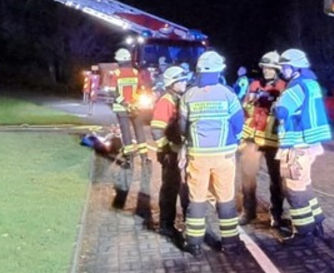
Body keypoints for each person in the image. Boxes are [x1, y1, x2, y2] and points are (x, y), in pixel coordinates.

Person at [179, 51, 245, 255]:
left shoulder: (188, 95)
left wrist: (188, 140)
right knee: (225, 198)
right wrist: (235, 139)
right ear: (218, 71)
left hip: (197, 154)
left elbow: (182, 126)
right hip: (224, 154)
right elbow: (238, 122)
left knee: (197, 198)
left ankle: (193, 243)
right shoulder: (228, 93)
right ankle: (231, 243)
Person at [273, 48, 332, 244]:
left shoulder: (296, 87)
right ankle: (316, 221)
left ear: (295, 67)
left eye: (285, 67)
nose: (282, 70)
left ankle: (303, 232)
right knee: (304, 184)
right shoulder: (311, 83)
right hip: (309, 143)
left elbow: (282, 112)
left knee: (294, 189)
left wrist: (275, 104)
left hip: (296, 146)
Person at [238, 51, 287, 228]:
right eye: (264, 67)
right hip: (253, 137)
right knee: (248, 176)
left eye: (270, 68)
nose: (266, 71)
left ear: (277, 69)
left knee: (276, 179)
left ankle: (276, 214)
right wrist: (249, 104)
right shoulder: (255, 85)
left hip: (273, 140)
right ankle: (248, 211)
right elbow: (246, 109)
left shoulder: (283, 87)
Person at [149, 66, 191, 241]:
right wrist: (166, 150)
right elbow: (157, 129)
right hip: (170, 153)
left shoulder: (179, 99)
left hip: (179, 152)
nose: (185, 82)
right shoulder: (166, 101)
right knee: (170, 189)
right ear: (172, 84)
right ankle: (166, 225)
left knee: (185, 188)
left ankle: (190, 223)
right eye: (181, 80)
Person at [104, 48, 148, 209]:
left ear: (118, 60)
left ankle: (129, 158)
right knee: (139, 131)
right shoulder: (135, 72)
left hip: (122, 108)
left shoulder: (116, 73)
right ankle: (144, 157)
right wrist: (134, 102)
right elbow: (141, 89)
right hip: (136, 107)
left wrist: (125, 103)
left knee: (126, 133)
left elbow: (113, 92)